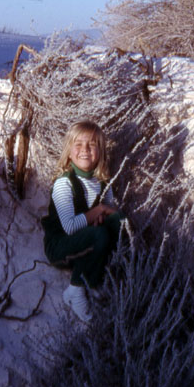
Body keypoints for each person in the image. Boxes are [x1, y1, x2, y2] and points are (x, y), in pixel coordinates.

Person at [41, 120, 123, 322]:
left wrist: (104, 214)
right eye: (78, 144)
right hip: (61, 245)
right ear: (69, 152)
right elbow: (69, 227)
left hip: (87, 239)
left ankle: (99, 279)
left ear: (100, 151)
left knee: (119, 222)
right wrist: (98, 210)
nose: (85, 150)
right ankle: (76, 290)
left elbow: (111, 211)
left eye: (92, 144)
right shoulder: (64, 183)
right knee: (99, 234)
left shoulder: (103, 182)